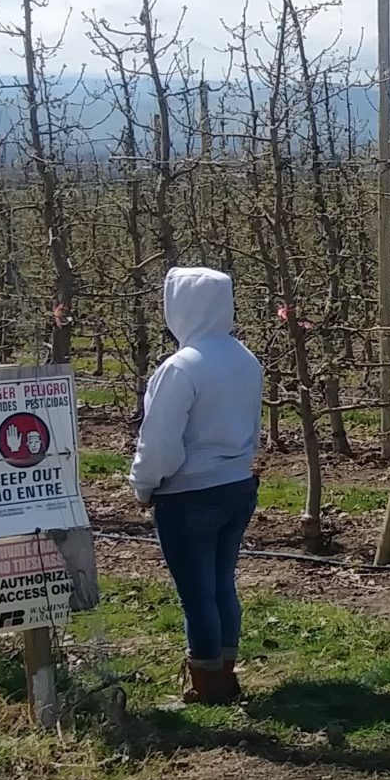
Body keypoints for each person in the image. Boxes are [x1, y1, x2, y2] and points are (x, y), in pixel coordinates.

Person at [129, 267, 263, 705]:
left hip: (188, 494)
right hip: (237, 485)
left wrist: (143, 484)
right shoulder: (244, 358)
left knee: (196, 593)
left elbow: (160, 441)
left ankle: (207, 686)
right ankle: (224, 672)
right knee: (223, 583)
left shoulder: (181, 367)